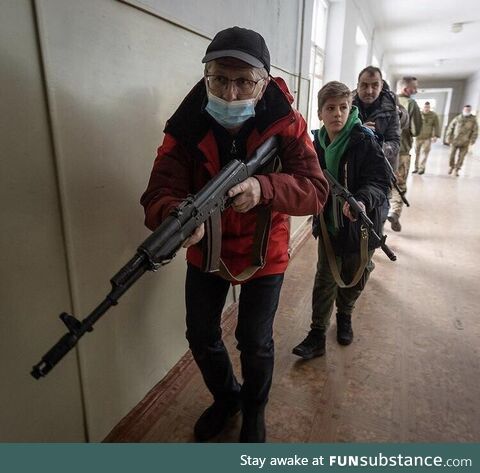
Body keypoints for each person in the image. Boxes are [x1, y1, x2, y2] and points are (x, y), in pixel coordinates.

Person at [140, 26, 328, 443]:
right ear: (206, 76)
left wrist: (264, 189)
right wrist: (173, 217)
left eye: (244, 81)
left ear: (263, 85)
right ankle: (227, 399)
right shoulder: (186, 126)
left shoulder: (288, 125)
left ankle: (254, 411)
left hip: (266, 252)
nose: (230, 92)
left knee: (254, 341)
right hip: (206, 251)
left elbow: (316, 191)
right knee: (202, 334)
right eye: (220, 79)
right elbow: (159, 189)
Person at [292, 81, 390, 360]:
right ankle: (317, 334)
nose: (337, 113)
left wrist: (361, 200)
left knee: (358, 274)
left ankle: (345, 314)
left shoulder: (364, 141)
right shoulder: (315, 145)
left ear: (351, 109)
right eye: (330, 108)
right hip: (329, 224)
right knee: (325, 278)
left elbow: (380, 182)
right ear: (321, 112)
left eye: (343, 107)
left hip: (361, 225)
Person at [387, 76, 422, 232]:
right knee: (399, 185)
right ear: (406, 89)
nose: (415, 90)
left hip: (384, 151)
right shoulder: (411, 104)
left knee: (382, 185)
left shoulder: (385, 100)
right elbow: (416, 130)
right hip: (402, 151)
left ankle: (379, 218)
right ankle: (394, 212)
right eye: (414, 88)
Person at [353, 66, 400, 169]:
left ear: (381, 86)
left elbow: (395, 143)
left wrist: (375, 145)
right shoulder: (346, 106)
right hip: (352, 167)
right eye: (364, 85)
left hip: (380, 169)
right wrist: (358, 133)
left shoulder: (391, 109)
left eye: (375, 86)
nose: (369, 91)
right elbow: (338, 137)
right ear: (357, 86)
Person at [446, 105, 478, 176]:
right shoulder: (457, 118)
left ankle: (457, 169)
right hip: (455, 140)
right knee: (451, 155)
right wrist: (448, 137)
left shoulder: (473, 120)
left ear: (470, 110)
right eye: (466, 109)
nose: (467, 111)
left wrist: (472, 140)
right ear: (463, 109)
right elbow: (450, 128)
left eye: (468, 110)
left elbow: (475, 131)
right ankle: (451, 167)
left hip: (465, 141)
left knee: (462, 157)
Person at [413, 101, 440, 175]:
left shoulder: (433, 115)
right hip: (418, 137)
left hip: (427, 138)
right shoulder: (418, 114)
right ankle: (416, 168)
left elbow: (436, 126)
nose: (426, 108)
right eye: (425, 107)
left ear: (429, 107)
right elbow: (413, 124)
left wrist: (435, 136)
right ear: (423, 107)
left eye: (428, 107)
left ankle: (422, 168)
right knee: (417, 153)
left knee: (425, 153)